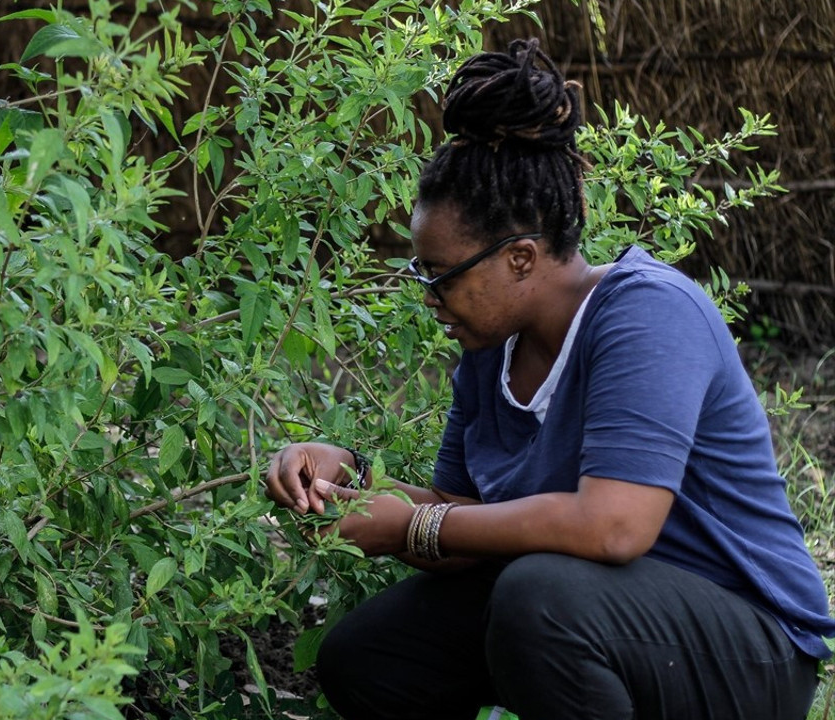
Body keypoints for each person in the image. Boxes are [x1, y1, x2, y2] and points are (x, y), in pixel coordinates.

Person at [264, 38, 834, 720]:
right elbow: (461, 514)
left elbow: (613, 528)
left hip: (747, 648)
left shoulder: (647, 313)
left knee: (538, 597)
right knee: (368, 656)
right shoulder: (489, 346)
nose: (430, 298)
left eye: (440, 276)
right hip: (603, 615)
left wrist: (414, 525)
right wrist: (355, 482)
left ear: (521, 259)